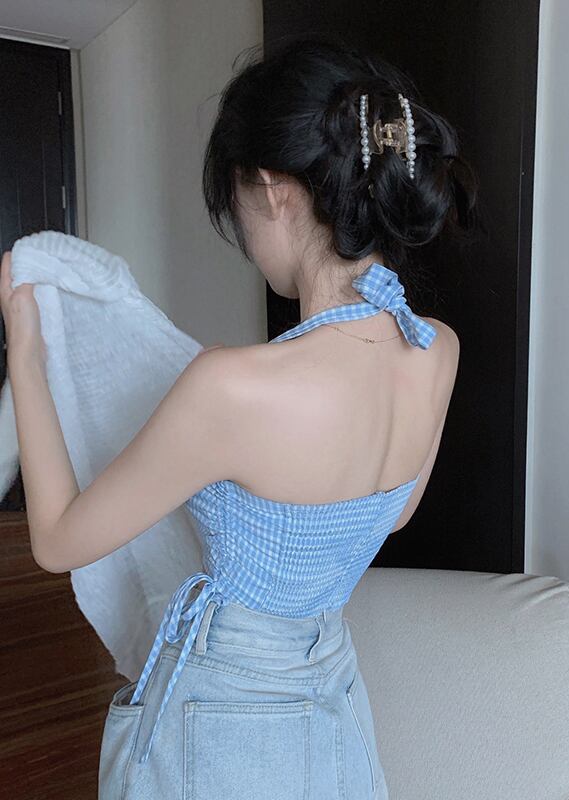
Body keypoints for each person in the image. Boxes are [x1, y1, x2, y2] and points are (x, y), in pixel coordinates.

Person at [1, 32, 479, 799]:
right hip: (332, 693)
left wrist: (26, 355)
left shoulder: (233, 389)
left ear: (273, 188)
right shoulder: (437, 349)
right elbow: (388, 516)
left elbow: (58, 540)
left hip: (226, 712)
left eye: (238, 205)